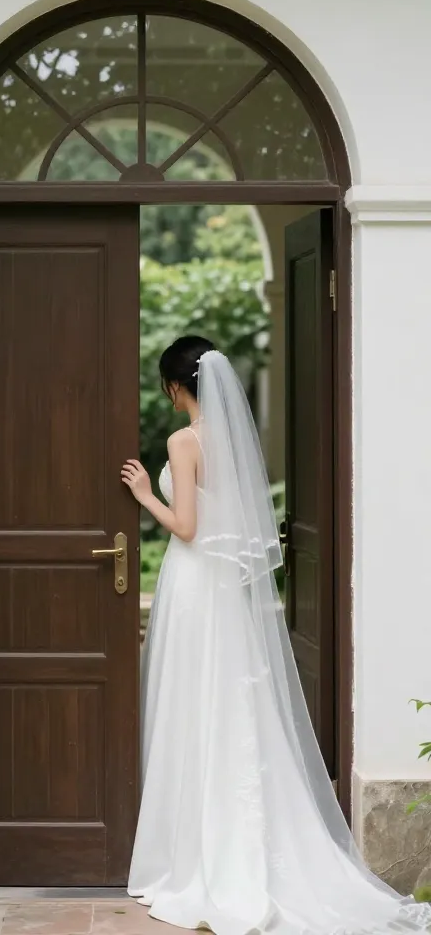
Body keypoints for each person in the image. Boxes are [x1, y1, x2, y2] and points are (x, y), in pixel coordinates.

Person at [121, 335, 431, 935]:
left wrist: (143, 496)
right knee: (231, 704)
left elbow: (186, 527)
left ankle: (195, 850)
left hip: (194, 585)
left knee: (194, 704)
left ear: (175, 385)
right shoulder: (231, 442)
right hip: (224, 594)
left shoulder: (184, 442)